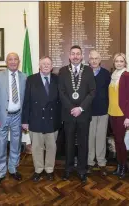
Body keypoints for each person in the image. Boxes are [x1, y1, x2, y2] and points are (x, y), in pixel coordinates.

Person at [58, 45, 96, 183]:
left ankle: (81, 170)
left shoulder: (88, 71)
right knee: (68, 143)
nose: (75, 56)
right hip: (68, 114)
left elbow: (92, 91)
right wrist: (71, 108)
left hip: (83, 114)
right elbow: (61, 92)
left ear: (82, 56)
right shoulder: (62, 71)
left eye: (78, 54)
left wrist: (80, 108)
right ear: (69, 56)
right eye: (73, 53)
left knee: (83, 143)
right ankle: (68, 169)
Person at [0, 52, 27, 188]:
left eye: (15, 59)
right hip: (2, 116)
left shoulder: (24, 77)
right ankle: (0, 172)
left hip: (18, 115)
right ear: (6, 62)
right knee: (1, 144)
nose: (12, 62)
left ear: (19, 61)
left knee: (16, 143)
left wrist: (25, 119)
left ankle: (13, 168)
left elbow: (26, 100)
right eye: (10, 59)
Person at [22, 56, 61, 182]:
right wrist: (25, 120)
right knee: (37, 147)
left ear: (52, 66)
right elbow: (26, 101)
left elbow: (61, 100)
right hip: (36, 119)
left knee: (51, 147)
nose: (46, 66)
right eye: (43, 64)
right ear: (39, 65)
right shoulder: (31, 79)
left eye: (48, 64)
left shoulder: (57, 79)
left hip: (52, 119)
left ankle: (49, 170)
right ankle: (38, 169)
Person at [108, 53, 129, 179]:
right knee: (117, 141)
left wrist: (128, 117)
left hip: (122, 114)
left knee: (120, 141)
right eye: (117, 61)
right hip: (112, 112)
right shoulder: (113, 75)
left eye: (121, 61)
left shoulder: (127, 76)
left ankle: (123, 166)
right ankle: (119, 165)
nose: (119, 63)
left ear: (125, 63)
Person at [86, 50, 110, 176]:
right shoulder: (84, 73)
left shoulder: (106, 74)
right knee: (90, 138)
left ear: (100, 60)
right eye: (92, 58)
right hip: (88, 111)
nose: (94, 61)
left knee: (101, 138)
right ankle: (90, 162)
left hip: (103, 111)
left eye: (96, 58)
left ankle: (101, 163)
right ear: (88, 60)